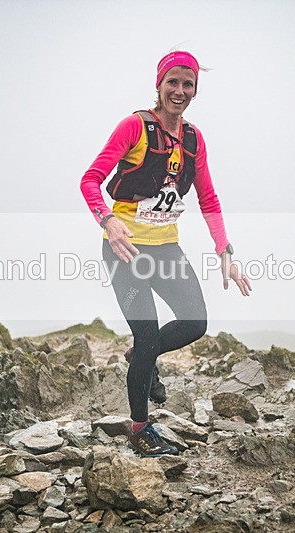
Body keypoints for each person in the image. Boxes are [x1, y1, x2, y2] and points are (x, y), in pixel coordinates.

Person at [80, 51, 251, 456]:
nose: (179, 90)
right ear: (158, 85)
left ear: (195, 90)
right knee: (146, 333)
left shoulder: (193, 138)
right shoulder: (134, 127)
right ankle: (140, 430)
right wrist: (107, 220)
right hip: (125, 251)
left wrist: (224, 248)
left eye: (187, 84)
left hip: (165, 248)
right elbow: (90, 180)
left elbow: (208, 197)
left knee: (195, 322)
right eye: (172, 82)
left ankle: (141, 354)